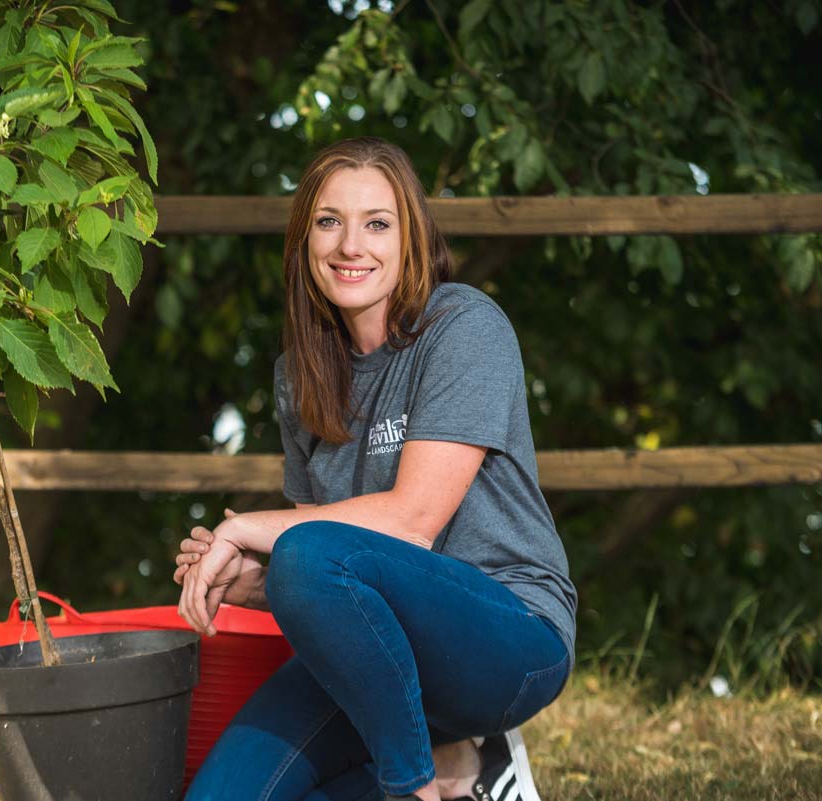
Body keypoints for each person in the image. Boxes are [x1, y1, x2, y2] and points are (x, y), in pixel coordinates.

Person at [172, 136, 577, 801]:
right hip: (381, 661)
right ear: (303, 242)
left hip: (508, 636)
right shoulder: (297, 377)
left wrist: (248, 527)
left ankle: (415, 785)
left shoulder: (464, 327)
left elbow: (410, 521)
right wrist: (257, 579)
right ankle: (475, 774)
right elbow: (327, 565)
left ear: (412, 237)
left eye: (377, 223)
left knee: (302, 550)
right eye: (329, 221)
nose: (349, 245)